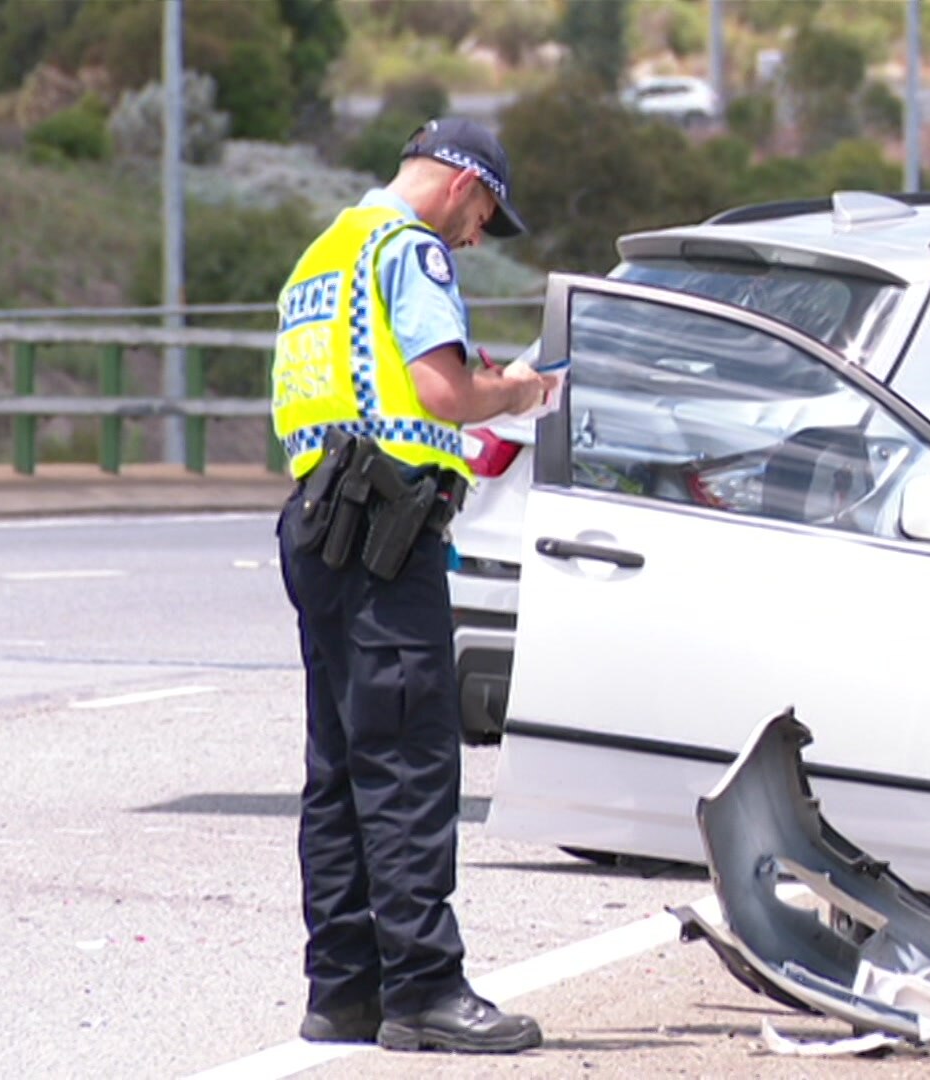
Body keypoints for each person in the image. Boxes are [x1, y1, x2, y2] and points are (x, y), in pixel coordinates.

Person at [269, 117, 555, 1054]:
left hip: (320, 524)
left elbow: (352, 393)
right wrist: (512, 389)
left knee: (341, 765)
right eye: (484, 213)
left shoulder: (324, 253)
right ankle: (426, 989)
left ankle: (344, 989)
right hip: (385, 538)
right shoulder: (409, 250)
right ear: (460, 180)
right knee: (409, 763)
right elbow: (440, 392)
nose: (477, 236)